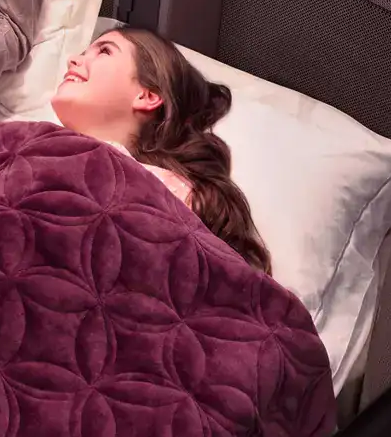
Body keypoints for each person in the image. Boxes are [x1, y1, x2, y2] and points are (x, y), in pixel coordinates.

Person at [51, 27, 273, 274]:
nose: (74, 59)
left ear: (147, 95)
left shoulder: (168, 192)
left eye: (104, 51)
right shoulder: (30, 142)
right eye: (85, 51)